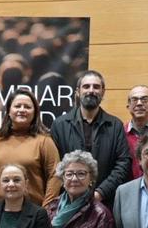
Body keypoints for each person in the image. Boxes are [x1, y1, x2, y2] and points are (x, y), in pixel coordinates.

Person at [48, 70, 130, 205]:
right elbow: (55, 166)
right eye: (86, 86)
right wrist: (71, 191)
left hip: (104, 202)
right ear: (78, 92)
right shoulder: (60, 124)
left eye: (96, 87)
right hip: (68, 201)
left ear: (103, 92)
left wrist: (101, 192)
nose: (91, 90)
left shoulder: (115, 125)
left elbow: (123, 163)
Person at [0, 88, 59, 205]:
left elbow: (55, 175)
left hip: (33, 213)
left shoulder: (44, 141)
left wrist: (46, 208)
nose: (22, 110)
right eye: (17, 106)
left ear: (35, 112)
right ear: (9, 111)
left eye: (27, 107)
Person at [124, 85, 148, 180]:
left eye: (144, 99)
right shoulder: (119, 133)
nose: (139, 103)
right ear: (128, 106)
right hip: (127, 190)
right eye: (134, 99)